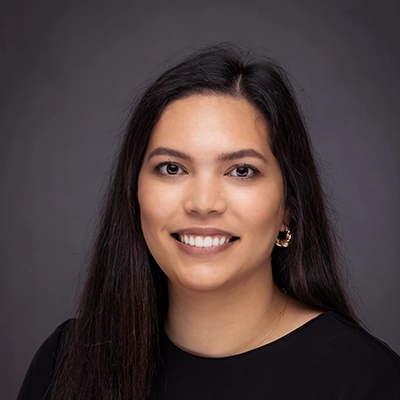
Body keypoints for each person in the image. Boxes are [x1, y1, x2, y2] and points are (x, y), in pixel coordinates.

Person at [17, 44, 400, 400]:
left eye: (241, 171)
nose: (203, 203)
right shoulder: (65, 361)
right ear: (133, 194)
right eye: (172, 168)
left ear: (289, 207)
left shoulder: (367, 379)